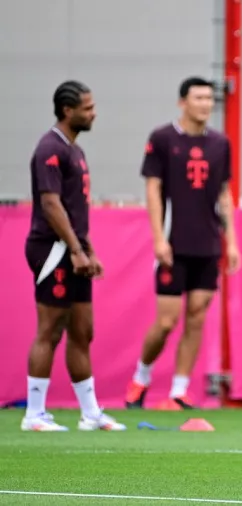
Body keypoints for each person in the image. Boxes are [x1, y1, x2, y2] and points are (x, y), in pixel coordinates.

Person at [124, 77, 241, 411]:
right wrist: (159, 238)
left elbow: (223, 193)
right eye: (198, 97)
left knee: (197, 316)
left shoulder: (220, 143)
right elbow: (153, 190)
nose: (205, 103)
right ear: (183, 102)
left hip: (207, 244)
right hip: (174, 244)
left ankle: (179, 389)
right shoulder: (162, 139)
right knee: (166, 321)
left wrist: (231, 241)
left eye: (208, 98)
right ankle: (140, 378)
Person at [21, 81, 126, 432]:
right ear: (68, 110)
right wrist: (76, 250)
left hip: (74, 249)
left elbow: (74, 209)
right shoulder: (49, 148)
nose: (94, 112)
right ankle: (34, 414)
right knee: (49, 330)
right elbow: (51, 205)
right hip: (52, 249)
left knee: (83, 331)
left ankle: (90, 413)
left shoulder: (75, 151)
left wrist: (88, 249)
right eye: (88, 107)